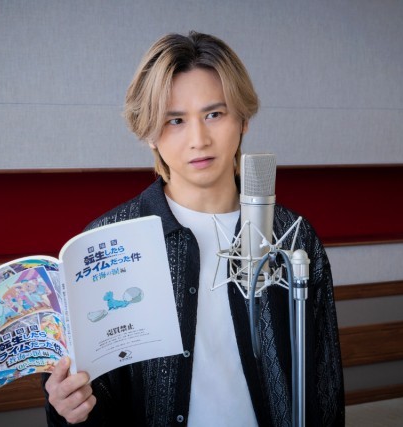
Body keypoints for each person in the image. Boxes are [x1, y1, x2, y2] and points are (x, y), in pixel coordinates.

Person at [43, 31, 345, 426]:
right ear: (150, 133)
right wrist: (66, 408)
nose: (199, 139)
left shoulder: (293, 236)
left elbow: (323, 384)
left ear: (243, 119)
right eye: (175, 121)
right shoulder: (109, 243)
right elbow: (96, 400)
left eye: (214, 114)